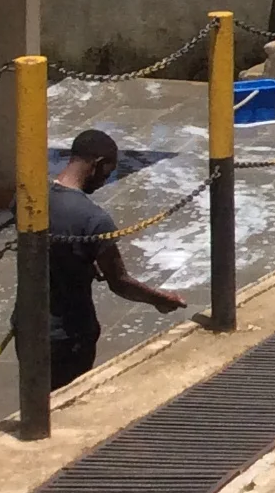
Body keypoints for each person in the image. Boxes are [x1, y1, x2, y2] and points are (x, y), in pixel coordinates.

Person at [45, 129, 185, 387]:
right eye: (106, 175)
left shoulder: (30, 199)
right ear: (97, 165)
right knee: (67, 405)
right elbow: (119, 282)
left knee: (36, 401)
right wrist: (160, 299)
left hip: (29, 328)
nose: (103, 183)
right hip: (71, 335)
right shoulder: (94, 219)